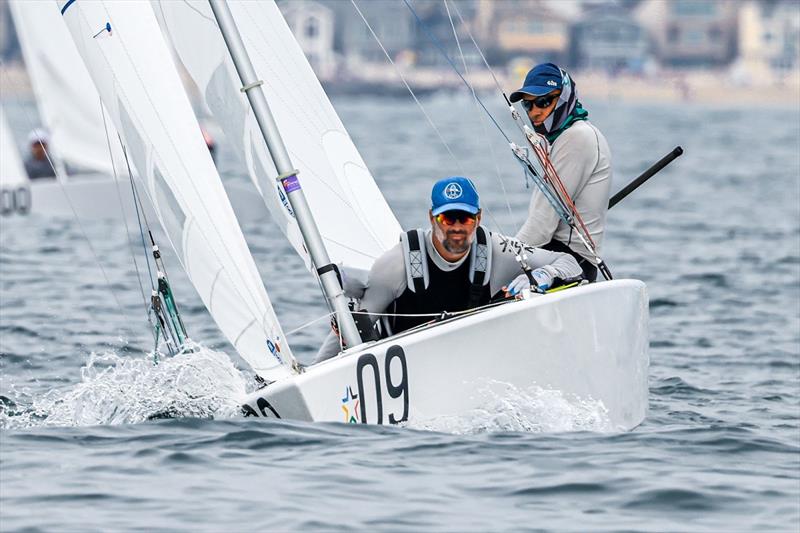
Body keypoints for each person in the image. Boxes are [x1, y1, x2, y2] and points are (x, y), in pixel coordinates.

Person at [314, 176, 583, 362]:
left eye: (464, 218)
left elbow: (569, 263)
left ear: (478, 218)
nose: (456, 227)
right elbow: (354, 328)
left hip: (469, 364)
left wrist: (540, 276)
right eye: (446, 218)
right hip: (400, 369)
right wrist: (313, 375)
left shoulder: (499, 249)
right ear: (432, 217)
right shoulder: (395, 265)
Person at [509, 63, 612, 282]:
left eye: (544, 102)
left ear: (565, 97)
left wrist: (502, 262)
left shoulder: (576, 137)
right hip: (557, 259)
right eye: (528, 105)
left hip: (568, 265)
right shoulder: (566, 137)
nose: (535, 111)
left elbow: (541, 226)